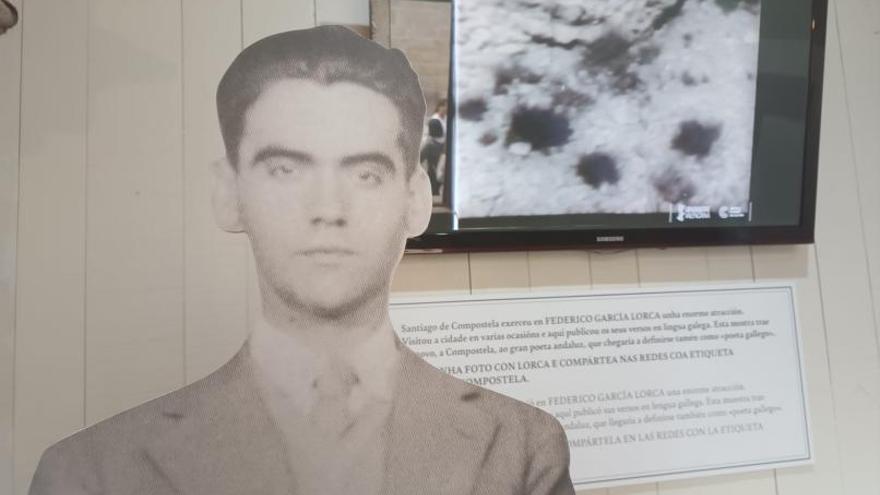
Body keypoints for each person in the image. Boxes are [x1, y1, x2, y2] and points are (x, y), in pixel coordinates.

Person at [29, 26, 574, 495]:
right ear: (228, 193)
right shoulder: (89, 474)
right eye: (286, 170)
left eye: (365, 174)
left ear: (413, 201)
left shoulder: (522, 449)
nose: (327, 210)